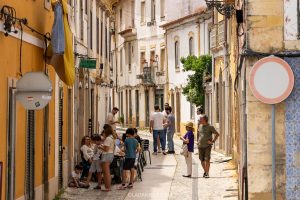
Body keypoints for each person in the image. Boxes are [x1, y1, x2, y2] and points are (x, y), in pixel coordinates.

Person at [98, 124, 115, 191]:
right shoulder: (111, 137)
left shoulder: (108, 138)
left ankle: (108, 187)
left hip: (107, 155)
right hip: (109, 155)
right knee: (106, 172)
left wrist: (100, 146)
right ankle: (107, 187)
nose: (103, 131)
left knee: (106, 172)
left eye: (104, 130)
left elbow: (106, 149)